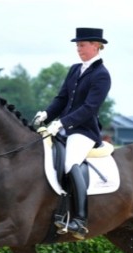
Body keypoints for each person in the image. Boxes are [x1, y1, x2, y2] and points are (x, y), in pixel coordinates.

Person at [33, 27, 111, 240]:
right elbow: (62, 99)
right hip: (63, 128)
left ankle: (80, 219)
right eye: (77, 45)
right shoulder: (75, 69)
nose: (79, 49)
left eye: (82, 45)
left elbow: (89, 108)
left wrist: (62, 123)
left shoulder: (102, 75)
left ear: (96, 46)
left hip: (84, 132)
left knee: (70, 163)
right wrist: (46, 114)